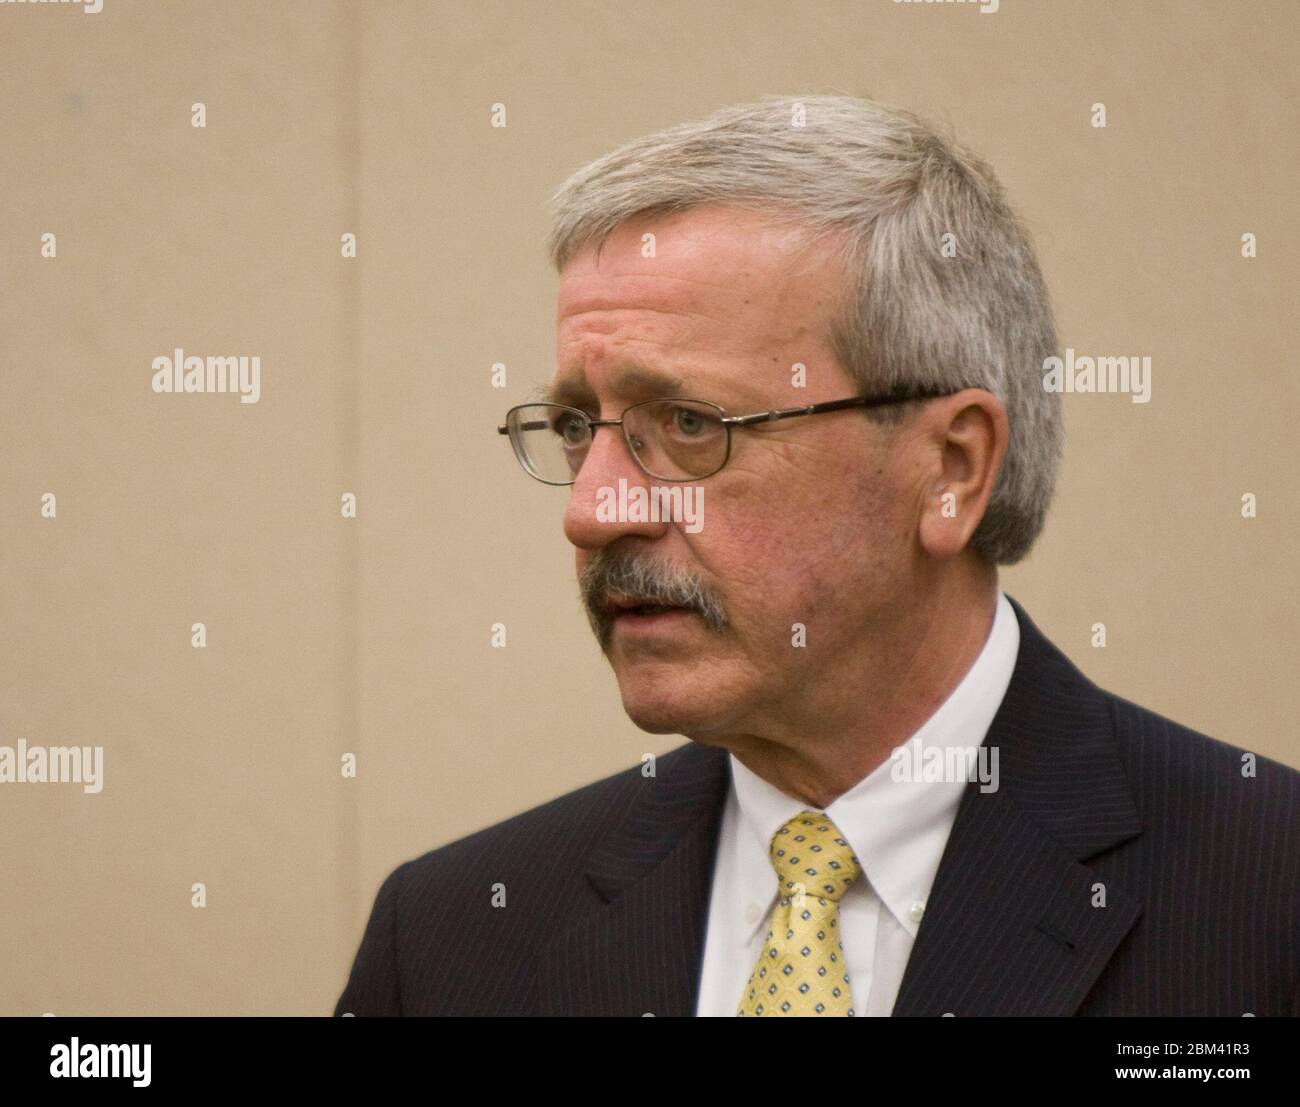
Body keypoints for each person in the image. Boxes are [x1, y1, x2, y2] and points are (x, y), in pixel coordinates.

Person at [335, 95, 1299, 1016]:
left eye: (687, 422)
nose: (591, 512)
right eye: (579, 427)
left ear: (950, 468)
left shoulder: (1265, 899)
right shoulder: (453, 937)